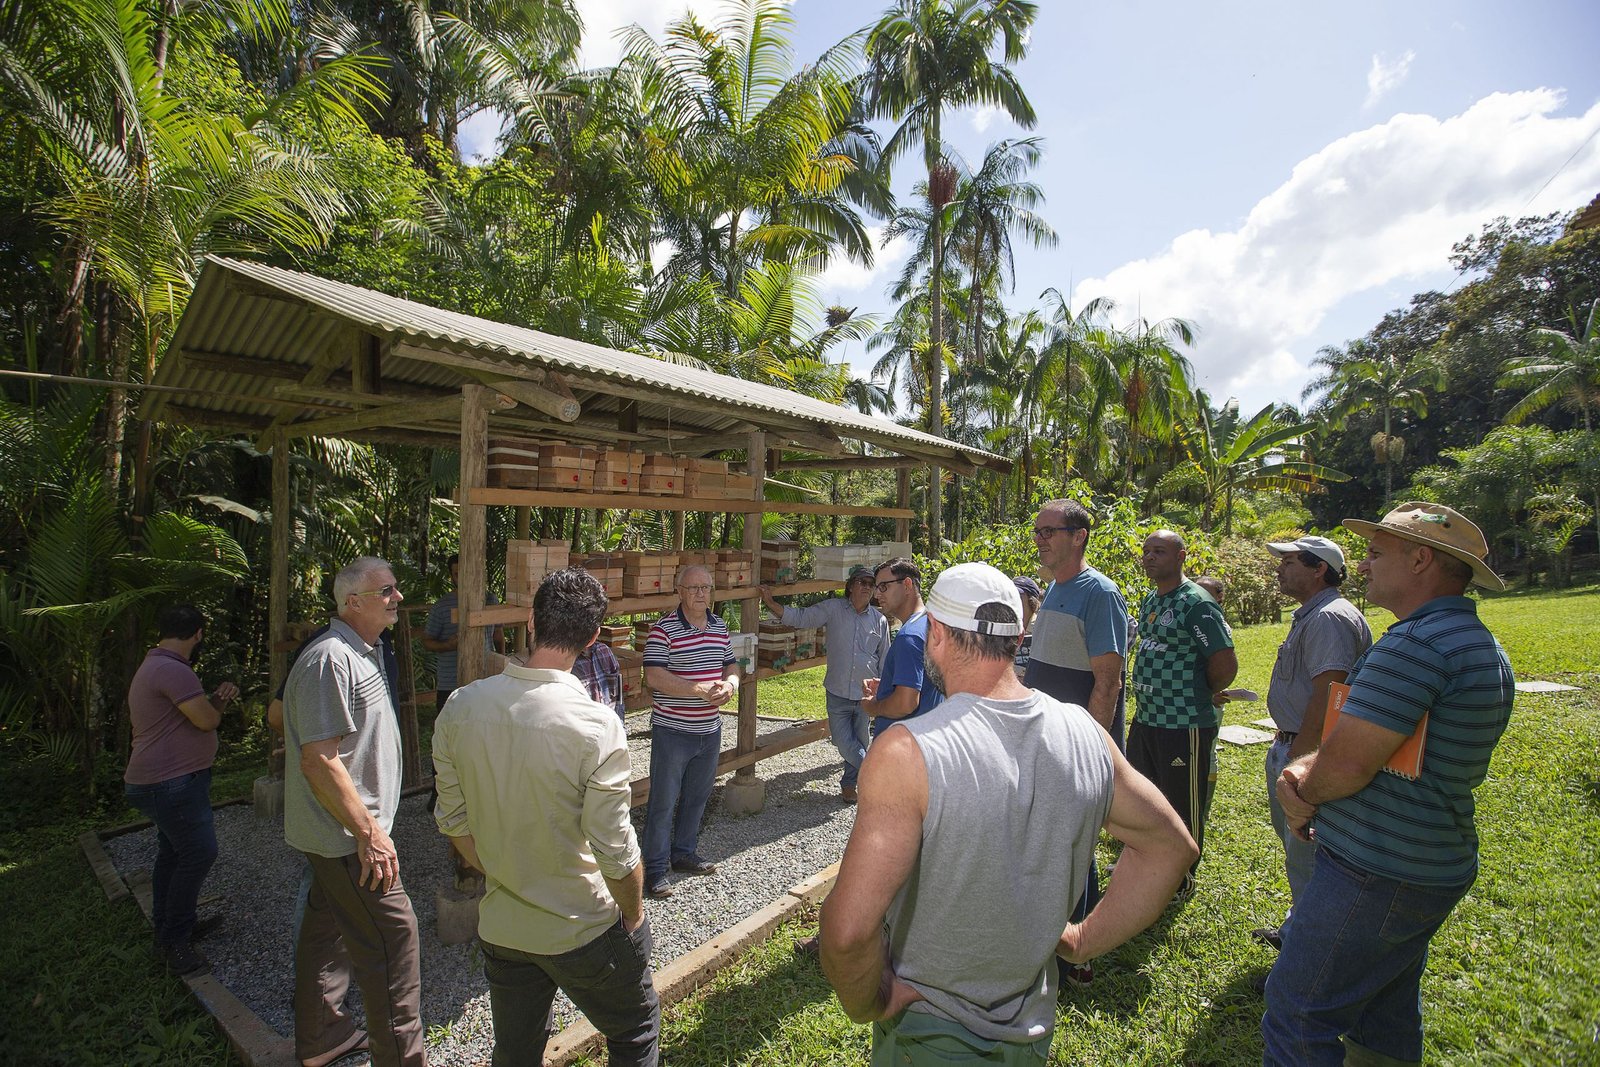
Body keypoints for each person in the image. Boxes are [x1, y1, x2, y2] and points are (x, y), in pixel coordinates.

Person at [819, 563, 1198, 1064]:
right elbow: (1172, 847)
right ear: (1018, 638)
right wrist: (1082, 940)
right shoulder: (1086, 734)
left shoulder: (908, 752)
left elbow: (846, 933)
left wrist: (869, 1003)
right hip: (1033, 1033)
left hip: (931, 1037)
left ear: (936, 634)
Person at [1263, 503, 1514, 1067]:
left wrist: (1301, 793)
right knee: (1385, 1010)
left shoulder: (1415, 646)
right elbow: (1389, 747)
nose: (1363, 566)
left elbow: (1348, 765)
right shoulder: (1475, 641)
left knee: (1297, 1012)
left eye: (1376, 554)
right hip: (1429, 861)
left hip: (1373, 869)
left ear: (1420, 560)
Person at [432, 567, 659, 1067]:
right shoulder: (597, 725)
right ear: (594, 637)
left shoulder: (460, 707)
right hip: (580, 925)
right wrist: (634, 913)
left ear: (531, 623)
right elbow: (615, 850)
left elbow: (453, 822)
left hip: (504, 928)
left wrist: (506, 871)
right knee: (635, 1032)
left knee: (515, 1051)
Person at [282, 556, 424, 1067]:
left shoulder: (366, 652)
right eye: (386, 590)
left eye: (395, 587)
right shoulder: (330, 659)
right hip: (347, 840)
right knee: (393, 941)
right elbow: (319, 761)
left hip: (343, 838)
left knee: (327, 933)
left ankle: (322, 1037)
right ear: (352, 602)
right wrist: (369, 833)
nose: (397, 597)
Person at [1023, 498, 1131, 986]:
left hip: (1077, 745)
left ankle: (1079, 956)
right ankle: (1054, 939)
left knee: (1076, 844)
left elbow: (1108, 681)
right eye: (1038, 531)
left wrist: (1092, 750)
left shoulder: (1099, 593)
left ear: (1079, 536)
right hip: (1048, 739)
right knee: (1058, 842)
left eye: (1049, 531)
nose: (1040, 539)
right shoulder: (1054, 588)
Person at [1251, 536, 1371, 952]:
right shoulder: (1314, 614)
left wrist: (1300, 764)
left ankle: (1309, 953)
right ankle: (1298, 932)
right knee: (1299, 851)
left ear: (1319, 568)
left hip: (1308, 753)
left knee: (1310, 854)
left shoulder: (1329, 618)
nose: (1279, 569)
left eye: (1289, 562)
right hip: (1295, 745)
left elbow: (1328, 695)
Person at [123, 604, 240, 977]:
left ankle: (171, 926)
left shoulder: (157, 665)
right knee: (199, 852)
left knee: (173, 853)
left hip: (163, 780)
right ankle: (175, 941)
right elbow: (206, 721)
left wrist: (214, 701)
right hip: (170, 782)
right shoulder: (173, 670)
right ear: (198, 634)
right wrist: (220, 701)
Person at [1129, 529, 1238, 893]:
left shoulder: (1196, 603)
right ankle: (1148, 866)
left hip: (1183, 723)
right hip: (1147, 718)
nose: (1149, 557)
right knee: (1147, 798)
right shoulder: (1151, 599)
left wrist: (1196, 692)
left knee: (1181, 804)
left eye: (1159, 551)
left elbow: (1224, 663)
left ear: (1181, 557)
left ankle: (1181, 879)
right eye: (1146, 551)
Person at [640, 564, 738, 899]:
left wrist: (731, 683)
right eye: (693, 588)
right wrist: (697, 689)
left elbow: (731, 664)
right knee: (663, 802)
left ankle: (683, 853)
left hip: (709, 730)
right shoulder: (663, 630)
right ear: (679, 591)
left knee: (697, 797)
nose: (700, 594)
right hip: (673, 731)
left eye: (705, 587)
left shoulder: (719, 626)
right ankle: (654, 870)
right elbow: (653, 676)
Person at [760, 564, 888, 802]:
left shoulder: (880, 620)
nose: (867, 588)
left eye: (871, 584)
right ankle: (878, 775)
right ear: (850, 587)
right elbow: (802, 617)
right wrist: (771, 603)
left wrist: (881, 694)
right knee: (843, 741)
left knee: (861, 740)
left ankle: (849, 785)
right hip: (838, 692)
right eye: (862, 582)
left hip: (865, 695)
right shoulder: (833, 609)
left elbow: (884, 658)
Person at [861, 557, 941, 738]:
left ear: (907, 585)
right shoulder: (931, 624)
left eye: (883, 587)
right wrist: (890, 684)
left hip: (902, 745)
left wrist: (873, 707)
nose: (876, 595)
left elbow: (906, 704)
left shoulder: (909, 636)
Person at [422, 553, 502, 710]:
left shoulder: (490, 600)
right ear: (452, 576)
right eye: (457, 574)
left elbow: (497, 635)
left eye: (467, 572)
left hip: (485, 680)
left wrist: (501, 668)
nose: (463, 578)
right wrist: (447, 645)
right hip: (451, 684)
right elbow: (426, 642)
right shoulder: (441, 607)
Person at [572, 639, 626, 720]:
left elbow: (618, 690)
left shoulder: (604, 650)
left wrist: (620, 719)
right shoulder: (567, 658)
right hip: (585, 723)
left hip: (610, 719)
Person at [1009, 575, 1042, 680]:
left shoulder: (1042, 627)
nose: (1013, 600)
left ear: (1032, 601)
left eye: (1018, 596)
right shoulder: (1004, 627)